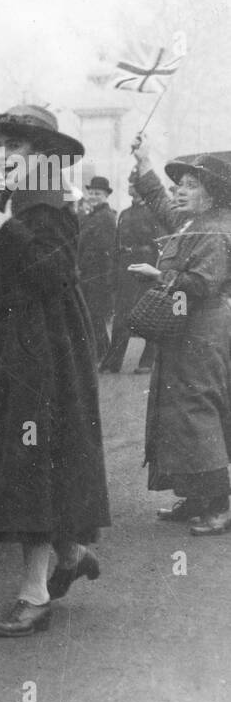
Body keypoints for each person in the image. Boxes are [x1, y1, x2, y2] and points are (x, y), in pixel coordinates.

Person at [0, 105, 110, 636]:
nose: (4, 156)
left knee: (30, 460)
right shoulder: (12, 203)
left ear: (44, 157)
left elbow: (57, 276)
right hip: (10, 343)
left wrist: (5, 232)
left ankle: (34, 592)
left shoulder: (47, 208)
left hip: (41, 349)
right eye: (0, 146)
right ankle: (69, 555)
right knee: (23, 458)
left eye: (16, 147)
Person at [128, 140, 231, 535]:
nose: (180, 191)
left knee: (197, 409)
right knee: (179, 411)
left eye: (190, 184)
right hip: (184, 328)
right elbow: (160, 203)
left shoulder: (217, 229)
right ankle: (195, 497)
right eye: (180, 184)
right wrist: (142, 163)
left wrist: (160, 277)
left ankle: (219, 503)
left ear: (212, 193)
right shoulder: (193, 223)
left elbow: (204, 284)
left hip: (204, 329)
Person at [100, 172, 162, 374]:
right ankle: (113, 362)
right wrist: (113, 274)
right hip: (125, 269)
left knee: (149, 315)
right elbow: (117, 244)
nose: (130, 186)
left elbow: (161, 243)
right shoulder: (125, 214)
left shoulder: (155, 212)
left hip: (147, 268)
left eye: (134, 183)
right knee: (121, 318)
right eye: (129, 183)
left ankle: (147, 361)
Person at [78, 175, 117, 363]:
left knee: (95, 315)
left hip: (97, 274)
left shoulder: (105, 217)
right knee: (92, 314)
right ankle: (100, 351)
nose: (93, 196)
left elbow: (106, 250)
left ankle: (101, 352)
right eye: (91, 192)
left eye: (98, 193)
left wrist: (105, 277)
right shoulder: (91, 215)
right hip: (87, 272)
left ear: (106, 195)